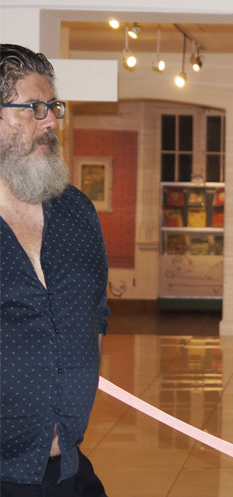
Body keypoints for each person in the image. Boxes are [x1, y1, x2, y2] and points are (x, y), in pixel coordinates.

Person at [0, 44, 109, 496]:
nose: (52, 122)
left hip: (67, 471)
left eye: (54, 107)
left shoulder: (77, 212)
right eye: (35, 108)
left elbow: (95, 318)